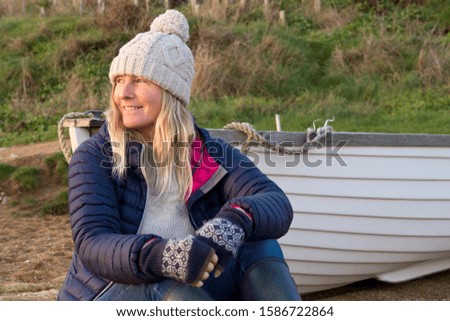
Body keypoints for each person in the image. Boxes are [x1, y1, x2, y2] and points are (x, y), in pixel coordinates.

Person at [57, 9, 300, 301]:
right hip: (109, 293)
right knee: (171, 285)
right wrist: (162, 256)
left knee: (260, 246)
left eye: (139, 80)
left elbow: (275, 202)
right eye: (119, 81)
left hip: (187, 288)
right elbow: (93, 244)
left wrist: (236, 219)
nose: (124, 93)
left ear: (171, 92)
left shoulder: (209, 152)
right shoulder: (94, 155)